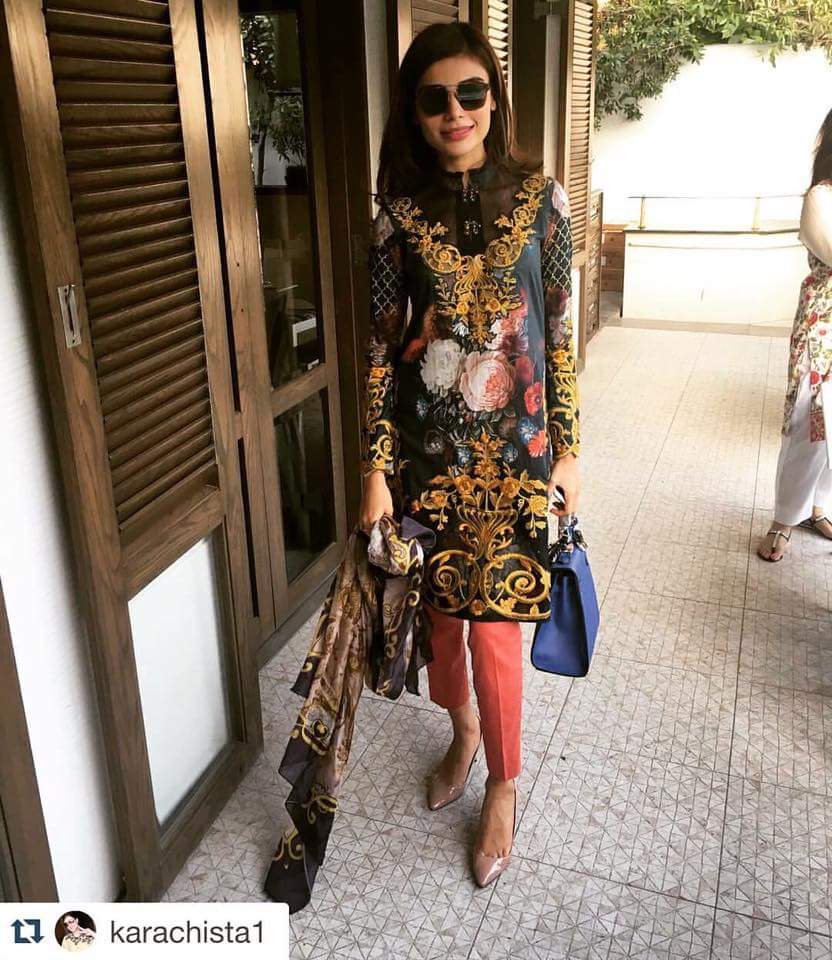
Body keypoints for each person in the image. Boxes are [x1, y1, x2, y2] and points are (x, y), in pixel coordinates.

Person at [357, 21, 580, 886]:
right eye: (435, 98)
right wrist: (376, 470)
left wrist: (569, 452)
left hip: (519, 461)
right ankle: (464, 733)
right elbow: (380, 352)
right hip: (429, 466)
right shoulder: (396, 218)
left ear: (494, 98)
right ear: (414, 112)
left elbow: (558, 339)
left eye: (471, 92)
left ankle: (503, 784)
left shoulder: (544, 202)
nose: (456, 111)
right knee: (443, 626)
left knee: (495, 632)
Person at [759, 108, 832, 562]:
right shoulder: (821, 197)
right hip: (824, 320)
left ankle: (817, 505)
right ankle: (785, 517)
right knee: (810, 417)